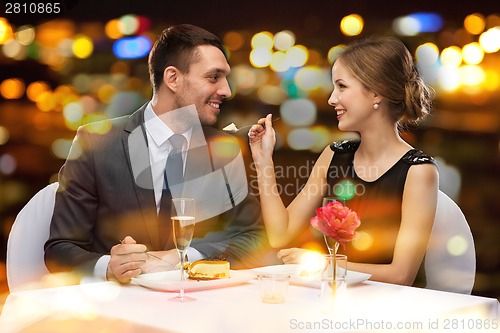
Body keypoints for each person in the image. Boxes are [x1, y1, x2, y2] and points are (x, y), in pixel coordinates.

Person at [45, 24, 269, 284]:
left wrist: (182, 257)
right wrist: (109, 266)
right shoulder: (96, 143)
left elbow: (254, 238)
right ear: (172, 78)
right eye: (213, 77)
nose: (226, 90)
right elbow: (59, 250)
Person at [248, 36, 439, 287]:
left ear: (376, 92)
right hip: (330, 300)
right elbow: (279, 234)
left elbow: (401, 275)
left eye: (341, 87)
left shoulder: (418, 171)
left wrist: (323, 263)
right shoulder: (334, 156)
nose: (331, 99)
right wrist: (263, 162)